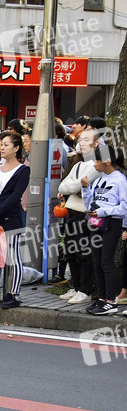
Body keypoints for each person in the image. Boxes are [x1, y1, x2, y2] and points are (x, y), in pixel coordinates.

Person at [0, 131, 30, 309]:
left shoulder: (23, 170)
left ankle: (13, 293)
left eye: (6, 144)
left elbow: (15, 196)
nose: (2, 147)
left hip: (11, 219)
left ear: (16, 148)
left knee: (12, 257)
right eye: (1, 144)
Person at [57, 128, 102, 306]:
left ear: (96, 143)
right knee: (70, 252)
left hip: (85, 214)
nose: (81, 143)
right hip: (71, 212)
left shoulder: (96, 166)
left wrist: (74, 186)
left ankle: (85, 289)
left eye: (86, 140)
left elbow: (76, 186)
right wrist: (73, 186)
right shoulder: (77, 165)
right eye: (80, 140)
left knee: (84, 253)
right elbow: (63, 186)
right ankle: (76, 286)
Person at [81, 146, 127, 316]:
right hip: (96, 223)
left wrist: (102, 212)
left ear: (107, 161)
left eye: (97, 161)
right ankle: (101, 299)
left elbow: (124, 208)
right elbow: (89, 203)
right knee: (97, 262)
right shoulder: (99, 180)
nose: (94, 165)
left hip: (111, 223)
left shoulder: (120, 180)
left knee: (106, 262)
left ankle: (111, 301)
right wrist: (85, 188)